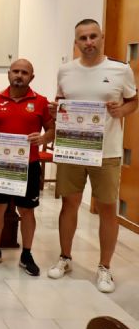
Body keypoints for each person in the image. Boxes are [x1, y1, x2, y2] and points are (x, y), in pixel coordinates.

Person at [47, 19, 137, 293]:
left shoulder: (120, 70)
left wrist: (123, 110)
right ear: (76, 42)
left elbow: (134, 100)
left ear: (101, 37)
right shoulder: (65, 70)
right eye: (82, 38)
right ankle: (65, 258)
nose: (88, 42)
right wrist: (55, 112)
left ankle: (105, 267)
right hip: (72, 148)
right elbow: (60, 101)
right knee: (69, 204)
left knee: (108, 208)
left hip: (106, 152)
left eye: (93, 37)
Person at [0, 59, 55, 276]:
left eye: (24, 72)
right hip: (0, 164)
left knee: (26, 211)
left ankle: (27, 254)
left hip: (28, 165)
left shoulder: (41, 102)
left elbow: (51, 130)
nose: (19, 75)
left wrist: (43, 138)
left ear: (32, 77)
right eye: (16, 71)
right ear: (9, 74)